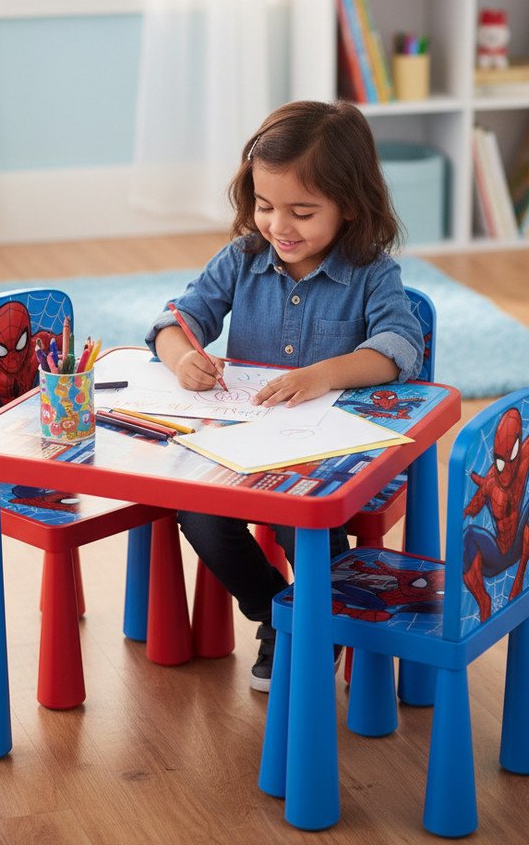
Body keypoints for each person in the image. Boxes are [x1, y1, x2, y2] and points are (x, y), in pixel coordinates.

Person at [145, 100, 424, 691]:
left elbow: (400, 346)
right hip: (242, 446)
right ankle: (280, 616)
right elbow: (173, 322)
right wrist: (183, 358)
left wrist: (322, 374)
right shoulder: (242, 259)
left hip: (327, 456)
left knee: (309, 524)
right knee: (197, 513)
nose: (279, 227)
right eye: (265, 206)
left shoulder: (372, 272)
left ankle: (312, 617)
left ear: (349, 206)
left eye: (302, 211)